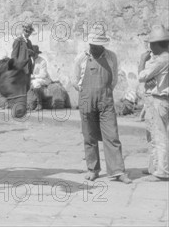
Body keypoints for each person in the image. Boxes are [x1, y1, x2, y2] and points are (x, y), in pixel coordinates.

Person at [72, 29, 131, 184]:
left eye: (99, 45)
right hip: (86, 100)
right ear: (90, 43)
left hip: (105, 100)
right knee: (89, 136)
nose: (96, 48)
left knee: (112, 135)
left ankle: (117, 171)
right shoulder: (81, 58)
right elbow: (74, 80)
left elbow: (113, 80)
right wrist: (86, 93)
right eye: (93, 45)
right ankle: (93, 169)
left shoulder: (111, 57)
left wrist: (104, 92)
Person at [137, 25, 169, 181]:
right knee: (154, 135)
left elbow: (142, 76)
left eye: (151, 44)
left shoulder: (162, 60)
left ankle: (162, 171)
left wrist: (142, 61)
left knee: (159, 136)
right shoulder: (164, 58)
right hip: (160, 100)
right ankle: (154, 167)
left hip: (159, 100)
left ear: (156, 44)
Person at [30, 45, 51, 110]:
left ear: (37, 53)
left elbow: (43, 74)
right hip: (32, 79)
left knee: (35, 83)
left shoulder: (42, 61)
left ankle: (39, 103)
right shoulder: (30, 61)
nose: (33, 55)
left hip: (44, 79)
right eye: (32, 54)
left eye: (34, 53)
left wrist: (33, 76)